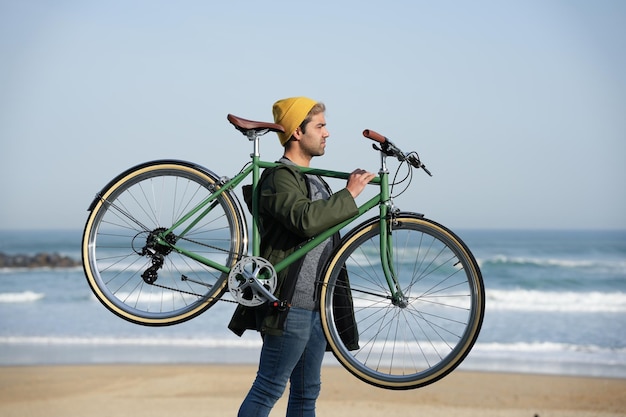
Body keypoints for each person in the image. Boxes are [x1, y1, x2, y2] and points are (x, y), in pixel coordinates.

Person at [228, 97, 376, 417]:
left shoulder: (315, 178)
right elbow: (305, 220)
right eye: (320, 126)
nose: (327, 133)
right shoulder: (280, 177)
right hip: (290, 304)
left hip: (315, 307)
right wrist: (349, 194)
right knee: (268, 388)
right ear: (297, 132)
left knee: (307, 396)